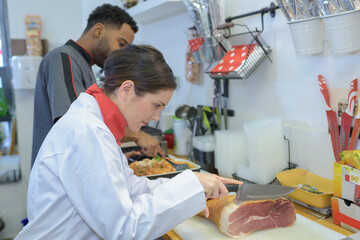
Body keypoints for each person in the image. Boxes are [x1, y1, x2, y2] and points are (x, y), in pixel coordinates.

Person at [15, 44, 241, 240]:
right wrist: (190, 187)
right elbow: (124, 230)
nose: (156, 117)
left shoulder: (95, 122)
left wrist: (192, 182)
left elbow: (130, 188)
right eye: (156, 105)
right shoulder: (88, 133)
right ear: (127, 89)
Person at [31, 4, 163, 168]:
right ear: (99, 30)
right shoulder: (63, 58)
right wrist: (136, 135)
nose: (122, 54)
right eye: (121, 44)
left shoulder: (84, 65)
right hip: (60, 175)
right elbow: (77, 126)